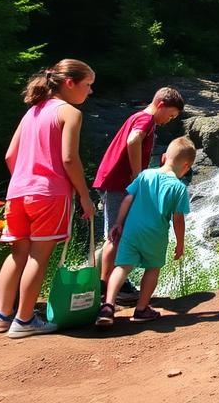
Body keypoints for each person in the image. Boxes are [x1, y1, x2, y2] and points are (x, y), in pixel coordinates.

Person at [0, 59, 96, 338]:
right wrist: (84, 196)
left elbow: (10, 156)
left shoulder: (31, 112)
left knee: (17, 254)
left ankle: (1, 316)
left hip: (17, 192)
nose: (90, 91)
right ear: (69, 83)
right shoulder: (69, 113)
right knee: (39, 256)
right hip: (50, 194)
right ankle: (24, 320)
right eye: (87, 85)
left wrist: (26, 179)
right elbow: (69, 158)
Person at [93, 87, 185, 304]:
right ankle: (107, 288)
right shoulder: (146, 119)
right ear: (160, 105)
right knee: (116, 235)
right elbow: (133, 141)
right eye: (170, 115)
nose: (169, 121)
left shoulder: (139, 117)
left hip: (115, 182)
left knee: (120, 231)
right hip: (118, 183)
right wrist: (137, 175)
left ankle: (112, 284)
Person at [95, 136, 195, 326]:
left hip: (131, 230)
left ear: (164, 157)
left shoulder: (145, 175)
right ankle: (141, 309)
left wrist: (118, 223)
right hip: (155, 234)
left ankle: (108, 305)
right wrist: (180, 243)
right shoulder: (179, 188)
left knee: (122, 266)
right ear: (186, 166)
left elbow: (126, 199)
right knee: (152, 269)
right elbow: (178, 219)